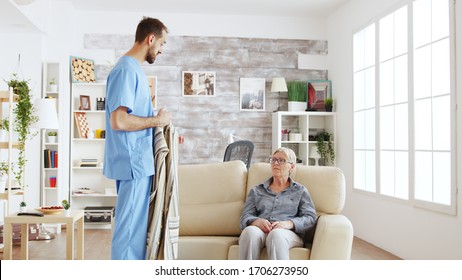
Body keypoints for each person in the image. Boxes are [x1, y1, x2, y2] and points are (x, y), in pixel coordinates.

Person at [103, 17, 174, 260]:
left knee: (134, 231)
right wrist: (157, 121)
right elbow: (119, 121)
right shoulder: (125, 70)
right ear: (150, 39)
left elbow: (136, 116)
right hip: (133, 162)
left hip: (138, 161)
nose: (162, 49)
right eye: (162, 43)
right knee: (128, 231)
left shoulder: (134, 70)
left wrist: (162, 125)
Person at [239, 147, 317, 260]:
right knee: (249, 232)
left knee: (276, 235)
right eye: (273, 159)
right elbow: (244, 217)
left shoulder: (300, 191)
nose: (276, 163)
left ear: (292, 166)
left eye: (281, 160)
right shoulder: (257, 190)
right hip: (261, 231)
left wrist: (289, 223)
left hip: (287, 233)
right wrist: (256, 221)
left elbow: (311, 218)